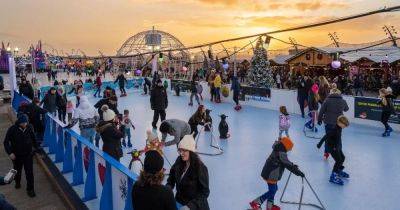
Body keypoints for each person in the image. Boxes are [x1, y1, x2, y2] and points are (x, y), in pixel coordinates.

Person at [249, 137, 305, 210]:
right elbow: (286, 164)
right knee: (272, 190)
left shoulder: (279, 148)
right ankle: (256, 202)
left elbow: (285, 162)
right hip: (271, 174)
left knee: (274, 189)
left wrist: (293, 165)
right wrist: (298, 172)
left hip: (271, 172)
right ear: (286, 146)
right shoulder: (281, 152)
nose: (288, 151)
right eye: (289, 149)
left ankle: (270, 206)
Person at [167, 134, 210, 210]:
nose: (181, 153)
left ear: (191, 151)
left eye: (184, 150)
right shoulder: (179, 161)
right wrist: (167, 189)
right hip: (179, 203)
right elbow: (171, 178)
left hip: (195, 206)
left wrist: (190, 206)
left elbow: (204, 193)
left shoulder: (200, 168)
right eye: (180, 150)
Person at [3, 114, 38, 197]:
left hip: (28, 155)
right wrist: (10, 153)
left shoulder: (29, 128)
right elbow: (6, 142)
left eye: (26, 122)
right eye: (23, 123)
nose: (25, 124)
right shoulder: (12, 129)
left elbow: (34, 139)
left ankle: (30, 189)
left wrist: (36, 149)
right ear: (19, 122)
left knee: (29, 173)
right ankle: (17, 182)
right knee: (17, 171)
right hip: (16, 156)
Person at [317, 115, 350, 185]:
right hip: (332, 148)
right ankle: (333, 176)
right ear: (340, 123)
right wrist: (319, 144)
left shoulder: (339, 128)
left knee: (343, 158)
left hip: (337, 147)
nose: (345, 127)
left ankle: (338, 171)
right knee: (338, 160)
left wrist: (339, 146)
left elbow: (337, 138)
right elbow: (325, 136)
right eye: (345, 125)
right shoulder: (334, 129)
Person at [318, 88, 349, 159]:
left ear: (331, 93)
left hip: (328, 122)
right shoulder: (342, 101)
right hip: (339, 123)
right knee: (338, 138)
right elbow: (346, 109)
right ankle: (339, 152)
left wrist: (319, 119)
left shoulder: (327, 100)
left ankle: (326, 153)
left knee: (328, 138)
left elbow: (321, 111)